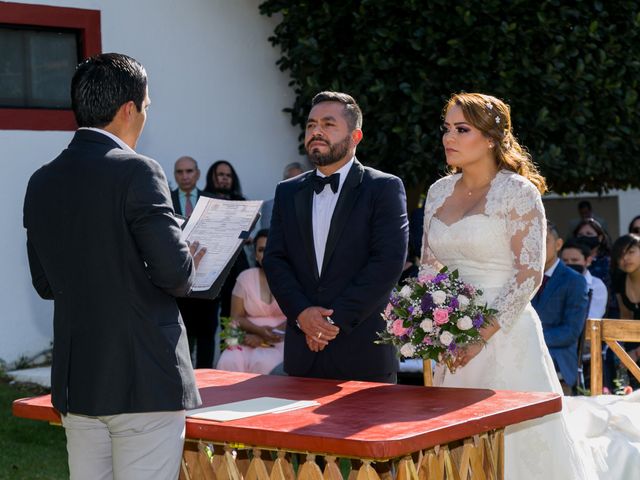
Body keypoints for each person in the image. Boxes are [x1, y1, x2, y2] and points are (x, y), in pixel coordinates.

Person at [23, 53, 205, 479]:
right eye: (147, 105)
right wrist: (187, 255)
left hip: (78, 379)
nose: (145, 114)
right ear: (129, 108)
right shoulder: (138, 171)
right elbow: (176, 274)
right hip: (144, 376)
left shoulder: (41, 180)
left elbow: (44, 283)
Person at [420, 92, 591, 479]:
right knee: (456, 443)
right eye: (446, 128)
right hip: (451, 333)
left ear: (492, 138)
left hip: (505, 333)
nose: (449, 137)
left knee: (517, 447)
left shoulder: (517, 192)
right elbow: (429, 269)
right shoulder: (437, 192)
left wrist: (479, 334)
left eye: (462, 129)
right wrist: (433, 330)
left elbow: (528, 274)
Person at [263, 91, 408, 383]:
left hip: (364, 354)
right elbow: (275, 260)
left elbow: (387, 263)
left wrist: (331, 322)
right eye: (311, 124)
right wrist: (302, 314)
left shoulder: (383, 188)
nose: (316, 131)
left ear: (355, 136)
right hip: (302, 354)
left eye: (328, 124)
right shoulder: (287, 191)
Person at [217, 229, 286, 374]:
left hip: (283, 339)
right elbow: (235, 317)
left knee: (265, 362)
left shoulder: (290, 277)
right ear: (255, 255)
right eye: (261, 250)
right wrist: (258, 333)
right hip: (248, 338)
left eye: (270, 248)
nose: (266, 254)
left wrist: (266, 338)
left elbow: (296, 315)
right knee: (229, 360)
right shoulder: (245, 277)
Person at [171, 156, 218, 368]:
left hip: (207, 277)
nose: (185, 176)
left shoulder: (212, 201)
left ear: (197, 174)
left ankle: (207, 381)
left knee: (207, 335)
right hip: (179, 279)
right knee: (183, 336)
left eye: (189, 171)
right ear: (175, 175)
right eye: (180, 172)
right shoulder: (165, 199)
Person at [532, 222, 589, 394]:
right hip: (525, 354)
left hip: (557, 358)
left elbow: (571, 332)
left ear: (558, 244)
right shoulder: (525, 279)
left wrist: (533, 340)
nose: (539, 245)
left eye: (545, 240)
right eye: (534, 240)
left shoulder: (574, 281)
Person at [611, 233, 640, 388]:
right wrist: (622, 353)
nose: (626, 258)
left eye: (631, 252)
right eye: (621, 254)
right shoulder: (619, 278)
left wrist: (636, 353)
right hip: (634, 336)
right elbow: (625, 316)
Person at [561, 238, 608, 319]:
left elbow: (592, 317)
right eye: (565, 260)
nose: (569, 264)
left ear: (588, 261)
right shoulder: (555, 281)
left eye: (575, 260)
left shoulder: (596, 286)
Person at [261, 161, 306, 229]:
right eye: (293, 180)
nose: (297, 184)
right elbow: (267, 234)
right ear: (284, 182)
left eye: (301, 180)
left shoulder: (311, 203)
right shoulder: (270, 206)